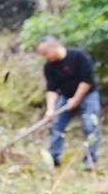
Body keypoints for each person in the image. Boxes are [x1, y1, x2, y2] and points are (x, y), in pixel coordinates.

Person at [34, 37, 100, 169]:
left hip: (88, 95)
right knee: (57, 125)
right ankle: (53, 158)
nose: (44, 57)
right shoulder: (49, 67)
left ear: (54, 48)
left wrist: (76, 99)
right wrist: (50, 109)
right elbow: (52, 89)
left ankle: (90, 160)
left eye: (45, 53)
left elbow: (87, 80)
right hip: (66, 96)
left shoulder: (78, 56)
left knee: (90, 126)